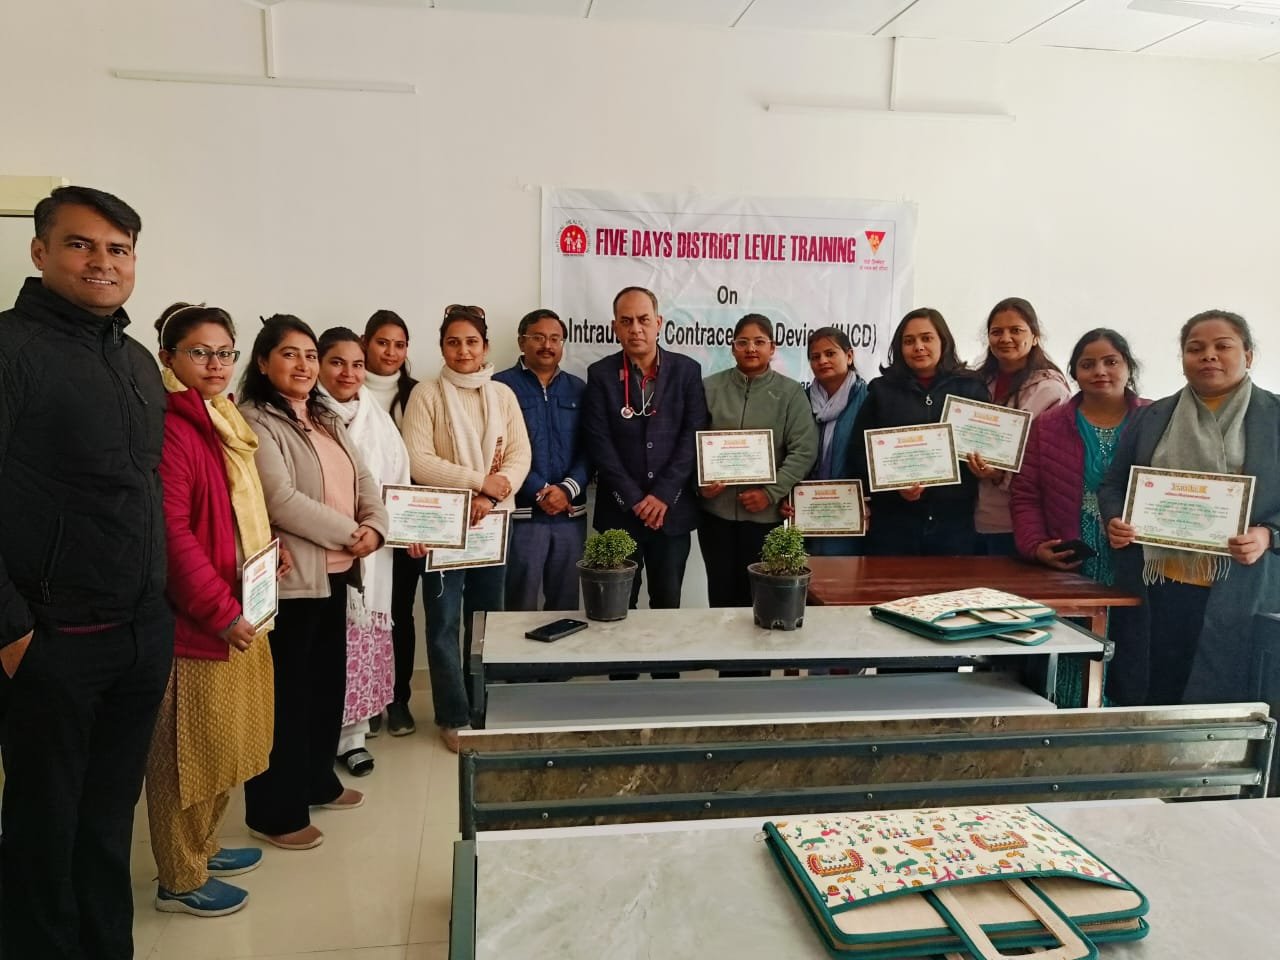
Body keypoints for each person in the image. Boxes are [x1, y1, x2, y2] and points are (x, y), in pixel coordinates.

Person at [0, 185, 172, 959]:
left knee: (107, 823)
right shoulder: (9, 350)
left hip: (139, 634)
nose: (102, 262)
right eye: (81, 244)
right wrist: (12, 633)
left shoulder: (135, 362)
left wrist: (159, 616)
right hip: (52, 639)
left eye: (118, 248)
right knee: (43, 830)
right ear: (40, 251)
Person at [146, 302, 287, 917]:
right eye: (199, 352)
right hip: (201, 624)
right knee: (188, 758)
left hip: (242, 607)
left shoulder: (222, 417)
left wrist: (266, 554)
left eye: (224, 352)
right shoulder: (172, 427)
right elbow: (171, 535)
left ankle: (203, 848)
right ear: (168, 357)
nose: (215, 364)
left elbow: (237, 510)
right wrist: (219, 609)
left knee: (228, 743)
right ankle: (178, 879)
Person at [239, 315, 388, 850]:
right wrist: (351, 533)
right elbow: (280, 499)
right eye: (289, 354)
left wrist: (375, 527)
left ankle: (317, 780)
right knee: (287, 698)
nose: (302, 365)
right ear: (263, 362)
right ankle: (276, 812)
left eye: (308, 355)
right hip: (294, 581)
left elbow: (364, 479)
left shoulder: (323, 414)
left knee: (326, 686)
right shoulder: (255, 418)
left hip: (339, 573)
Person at [1100, 310, 1280, 707]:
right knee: (1157, 694)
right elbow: (1114, 484)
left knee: (1226, 702)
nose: (1208, 356)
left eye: (1222, 346)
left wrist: (1268, 535)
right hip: (1160, 585)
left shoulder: (1274, 417)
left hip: (1242, 589)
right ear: (1182, 359)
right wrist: (1115, 518)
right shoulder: (1153, 416)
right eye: (1195, 349)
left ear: (1248, 355)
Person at [401, 304, 531, 752]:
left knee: (487, 620)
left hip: (492, 523)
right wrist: (478, 483)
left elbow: (520, 455)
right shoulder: (426, 394)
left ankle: (485, 706)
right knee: (444, 623)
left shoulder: (503, 395)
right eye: (453, 342)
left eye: (471, 342)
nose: (463, 350)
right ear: (441, 347)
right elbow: (418, 460)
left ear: (486, 347)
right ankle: (454, 714)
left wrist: (490, 497)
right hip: (444, 525)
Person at [318, 327, 421, 777]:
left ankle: (354, 736)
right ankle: (318, 740)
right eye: (337, 363)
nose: (348, 373)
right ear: (318, 365)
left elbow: (399, 481)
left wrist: (391, 528)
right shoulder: (303, 412)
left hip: (373, 549)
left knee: (361, 636)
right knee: (321, 645)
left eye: (356, 364)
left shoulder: (376, 418)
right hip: (320, 547)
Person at [581, 287, 709, 607]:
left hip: (672, 513)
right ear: (615, 327)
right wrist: (635, 500)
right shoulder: (600, 374)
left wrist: (663, 495)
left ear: (658, 323)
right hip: (620, 512)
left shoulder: (687, 371)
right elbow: (599, 443)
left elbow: (693, 436)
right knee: (616, 606)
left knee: (667, 604)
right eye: (626, 321)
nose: (635, 328)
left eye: (643, 319)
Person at [1012, 329, 1149, 585]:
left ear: (1129, 367)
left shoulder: (1157, 419)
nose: (1100, 371)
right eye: (1087, 365)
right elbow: (1026, 495)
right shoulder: (1047, 426)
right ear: (1074, 373)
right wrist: (1036, 546)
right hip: (1070, 563)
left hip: (1142, 561)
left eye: (1111, 362)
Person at [698, 314, 817, 605]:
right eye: (743, 342)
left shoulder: (790, 393)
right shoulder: (709, 388)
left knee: (760, 597)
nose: (751, 348)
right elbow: (689, 444)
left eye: (759, 342)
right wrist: (700, 485)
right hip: (715, 515)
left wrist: (770, 493)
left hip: (765, 516)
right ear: (732, 347)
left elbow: (803, 450)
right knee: (720, 594)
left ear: (772, 348)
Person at [849, 308, 988, 556]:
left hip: (954, 525)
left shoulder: (970, 387)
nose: (918, 347)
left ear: (943, 341)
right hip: (894, 526)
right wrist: (894, 486)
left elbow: (987, 448)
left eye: (927, 338)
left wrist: (986, 466)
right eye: (909, 341)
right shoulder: (881, 391)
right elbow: (859, 455)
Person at [494, 309, 590, 610]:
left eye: (555, 339)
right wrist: (539, 490)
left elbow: (591, 448)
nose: (547, 345)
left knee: (566, 606)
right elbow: (497, 451)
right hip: (523, 515)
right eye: (538, 337)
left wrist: (566, 490)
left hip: (570, 515)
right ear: (521, 342)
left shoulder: (579, 388)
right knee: (518, 604)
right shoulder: (499, 387)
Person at [968, 297, 1071, 555]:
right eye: (997, 332)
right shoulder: (975, 383)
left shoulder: (1051, 391)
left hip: (1022, 524)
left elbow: (1053, 464)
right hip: (971, 518)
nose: (1005, 338)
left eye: (1016, 330)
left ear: (1035, 337)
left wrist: (999, 474)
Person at [360, 310, 420, 735]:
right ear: (365, 342)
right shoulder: (346, 389)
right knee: (360, 615)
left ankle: (398, 699)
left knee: (399, 613)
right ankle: (364, 700)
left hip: (407, 528)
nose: (391, 352)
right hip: (357, 526)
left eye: (399, 345)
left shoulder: (418, 394)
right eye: (383, 342)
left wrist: (420, 527)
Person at [801, 325, 869, 557]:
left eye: (830, 353)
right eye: (815, 357)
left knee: (845, 576)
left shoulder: (870, 399)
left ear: (849, 356)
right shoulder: (800, 402)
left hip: (854, 514)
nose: (822, 361)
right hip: (807, 513)